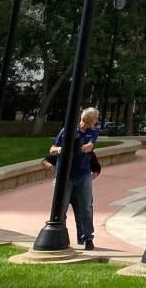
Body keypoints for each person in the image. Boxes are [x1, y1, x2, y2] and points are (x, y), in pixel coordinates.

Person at [49, 107, 100, 250]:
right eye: (96, 118)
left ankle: (87, 238)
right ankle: (61, 236)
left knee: (86, 207)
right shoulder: (67, 131)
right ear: (89, 119)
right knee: (61, 207)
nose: (97, 121)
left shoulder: (93, 132)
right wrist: (61, 149)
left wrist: (79, 148)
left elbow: (90, 146)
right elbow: (52, 149)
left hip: (83, 173)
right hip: (65, 174)